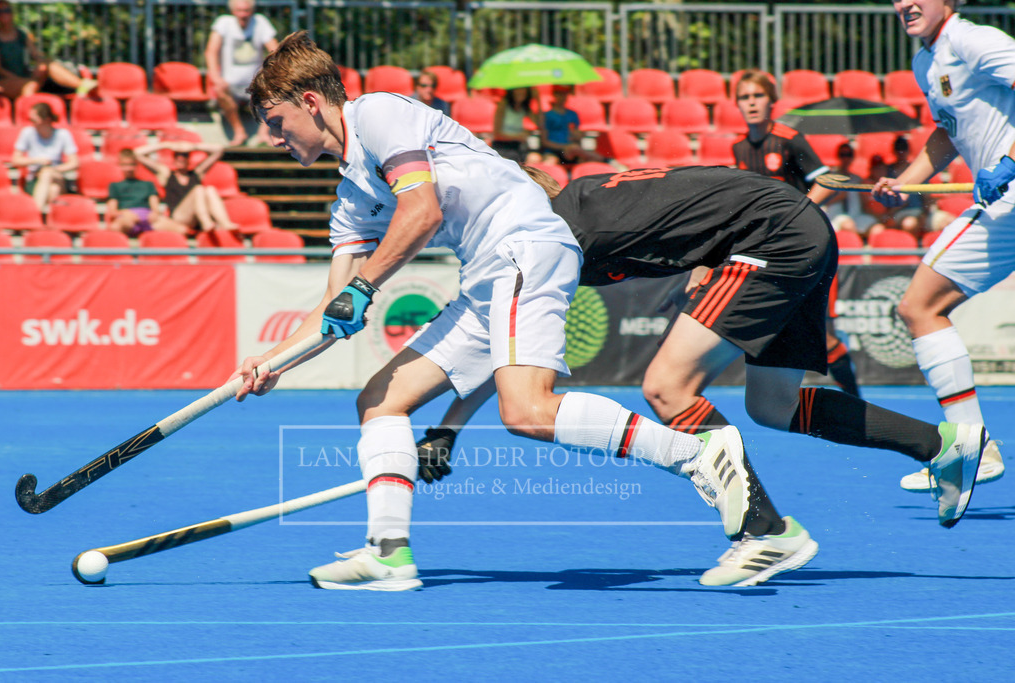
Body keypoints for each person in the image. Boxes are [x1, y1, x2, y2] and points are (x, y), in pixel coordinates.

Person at [235, 31, 776, 592]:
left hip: (524, 246)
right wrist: (273, 362)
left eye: (275, 122)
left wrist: (364, 287)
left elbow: (421, 213)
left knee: (527, 411)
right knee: (379, 401)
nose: (272, 139)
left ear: (310, 102)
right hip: (485, 275)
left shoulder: (377, 114)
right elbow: (334, 305)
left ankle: (697, 455)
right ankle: (387, 554)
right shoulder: (351, 198)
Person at [414, 165, 987, 582]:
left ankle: (765, 532)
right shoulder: (581, 200)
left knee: (668, 387)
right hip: (799, 226)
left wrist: (447, 428)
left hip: (772, 238)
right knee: (775, 405)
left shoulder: (552, 237)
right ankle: (941, 444)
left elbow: (517, 352)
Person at [872, 0, 1008, 491]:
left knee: (919, 306)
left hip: (1010, 201)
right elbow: (948, 133)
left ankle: (973, 447)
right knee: (921, 307)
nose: (904, 3)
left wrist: (1010, 162)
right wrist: (906, 181)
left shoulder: (973, 41)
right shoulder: (925, 62)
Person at [733, 70, 861, 397]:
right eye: (745, 97)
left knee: (823, 335)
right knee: (770, 326)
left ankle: (854, 399)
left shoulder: (789, 139)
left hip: (803, 246)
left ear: (772, 101)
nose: (751, 103)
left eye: (758, 96)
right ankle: (777, 399)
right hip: (765, 250)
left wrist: (795, 215)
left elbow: (830, 182)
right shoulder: (739, 148)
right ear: (737, 104)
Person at [205, 0, 279, 146]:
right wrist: (215, 77)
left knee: (279, 90)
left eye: (246, 10)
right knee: (219, 90)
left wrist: (272, 74)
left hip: (256, 85)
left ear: (252, 11)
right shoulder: (223, 23)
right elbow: (211, 52)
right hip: (230, 85)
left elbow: (275, 51)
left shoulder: (260, 22)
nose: (243, 14)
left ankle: (263, 133)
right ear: (233, 11)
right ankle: (239, 132)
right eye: (239, 10)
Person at [0, 0, 95, 100]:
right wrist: (19, 79)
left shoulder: (21, 34)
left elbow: (36, 55)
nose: (3, 14)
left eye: (6, 10)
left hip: (25, 77)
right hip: (5, 80)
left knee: (46, 64)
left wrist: (46, 62)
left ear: (12, 13)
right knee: (30, 85)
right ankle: (29, 109)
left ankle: (82, 85)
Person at [133, 140, 237, 233]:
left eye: (184, 155)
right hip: (179, 217)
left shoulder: (197, 173)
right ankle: (206, 223)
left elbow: (219, 149)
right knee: (198, 189)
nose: (181, 158)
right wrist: (166, 145)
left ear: (188, 159)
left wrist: (193, 147)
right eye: (178, 155)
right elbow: (137, 153)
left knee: (210, 189)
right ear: (174, 159)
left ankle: (225, 223)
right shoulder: (167, 174)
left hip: (195, 219)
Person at [11, 101, 78, 210]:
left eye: (33, 120)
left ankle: (35, 213)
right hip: (35, 177)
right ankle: (48, 217)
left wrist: (53, 169)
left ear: (46, 119)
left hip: (56, 175)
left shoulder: (63, 134)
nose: (31, 123)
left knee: (47, 174)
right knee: (53, 190)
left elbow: (74, 162)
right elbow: (15, 160)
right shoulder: (27, 132)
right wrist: (37, 160)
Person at [106, 148, 187, 236]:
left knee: (182, 230)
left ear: (136, 165)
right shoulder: (115, 186)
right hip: (127, 218)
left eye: (132, 164)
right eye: (125, 165)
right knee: (115, 227)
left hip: (148, 219)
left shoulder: (148, 184)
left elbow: (155, 208)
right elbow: (113, 212)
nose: (129, 168)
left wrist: (154, 214)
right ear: (120, 165)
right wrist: (128, 214)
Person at [539, 85, 604, 166]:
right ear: (554, 95)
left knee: (588, 161)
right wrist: (565, 146)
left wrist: (578, 136)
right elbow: (544, 142)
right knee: (549, 162)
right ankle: (606, 160)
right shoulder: (547, 115)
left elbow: (577, 136)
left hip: (572, 151)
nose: (562, 97)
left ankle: (604, 161)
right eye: (559, 94)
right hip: (553, 150)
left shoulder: (573, 114)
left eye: (564, 94)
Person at [491, 86, 538, 163]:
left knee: (534, 158)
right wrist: (518, 137)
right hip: (502, 146)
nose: (521, 92)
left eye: (523, 89)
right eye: (518, 89)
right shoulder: (503, 105)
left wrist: (537, 100)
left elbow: (538, 123)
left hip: (517, 146)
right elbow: (497, 134)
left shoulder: (524, 107)